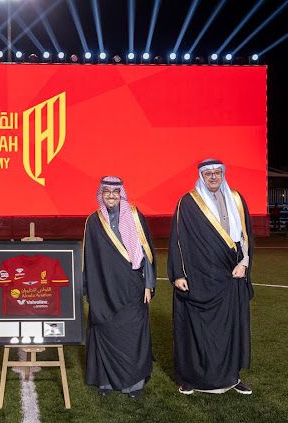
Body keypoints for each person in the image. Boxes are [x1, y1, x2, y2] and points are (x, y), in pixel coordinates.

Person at [168, 158, 254, 395]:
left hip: (231, 275)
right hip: (199, 276)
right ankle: (191, 379)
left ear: (223, 174)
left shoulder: (236, 199)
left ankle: (232, 377)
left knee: (230, 329)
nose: (214, 177)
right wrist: (178, 273)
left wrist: (244, 263)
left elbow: (245, 236)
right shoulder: (188, 202)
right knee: (197, 329)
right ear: (201, 176)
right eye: (209, 173)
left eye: (217, 172)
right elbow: (178, 240)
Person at [83, 176, 156, 399]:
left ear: (121, 194)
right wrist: (90, 289)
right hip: (104, 288)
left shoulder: (135, 216)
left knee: (133, 333)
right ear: (101, 194)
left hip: (132, 287)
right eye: (107, 192)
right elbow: (89, 258)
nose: (111, 196)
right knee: (105, 330)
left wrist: (148, 284)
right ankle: (105, 381)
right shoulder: (93, 221)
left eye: (115, 192)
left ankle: (133, 384)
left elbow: (146, 253)